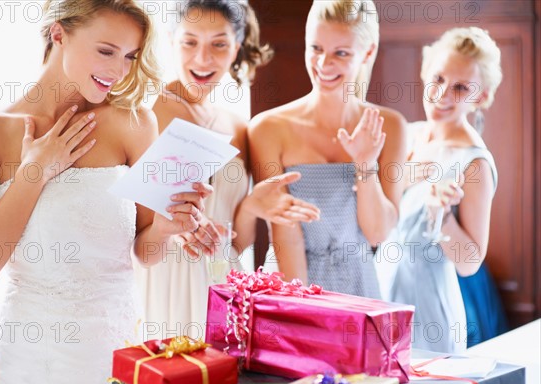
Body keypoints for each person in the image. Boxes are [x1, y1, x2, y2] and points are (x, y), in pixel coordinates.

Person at [0, 1, 214, 384]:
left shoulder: (135, 123)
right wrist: (34, 173)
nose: (118, 70)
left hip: (114, 351)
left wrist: (164, 228)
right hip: (30, 360)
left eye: (129, 56)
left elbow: (146, 251)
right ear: (59, 33)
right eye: (106, 51)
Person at [137, 0, 321, 339]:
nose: (203, 59)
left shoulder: (238, 126)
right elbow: (134, 239)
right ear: (170, 40)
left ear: (237, 46)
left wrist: (252, 205)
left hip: (223, 279)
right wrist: (173, 230)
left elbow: (237, 244)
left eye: (218, 44)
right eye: (190, 41)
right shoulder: (147, 113)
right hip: (165, 280)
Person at [248, 0, 407, 298]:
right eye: (316, 49)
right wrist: (306, 309)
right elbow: (285, 233)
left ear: (368, 52)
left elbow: (378, 232)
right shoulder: (268, 128)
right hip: (291, 285)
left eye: (341, 53)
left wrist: (364, 164)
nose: (323, 64)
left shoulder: (391, 126)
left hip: (360, 286)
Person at [387, 27, 503, 353]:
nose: (441, 96)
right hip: (380, 295)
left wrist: (443, 218)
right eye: (438, 79)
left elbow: (469, 262)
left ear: (481, 96)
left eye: (460, 87)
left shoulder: (474, 162)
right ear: (425, 73)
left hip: (428, 314)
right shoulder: (407, 136)